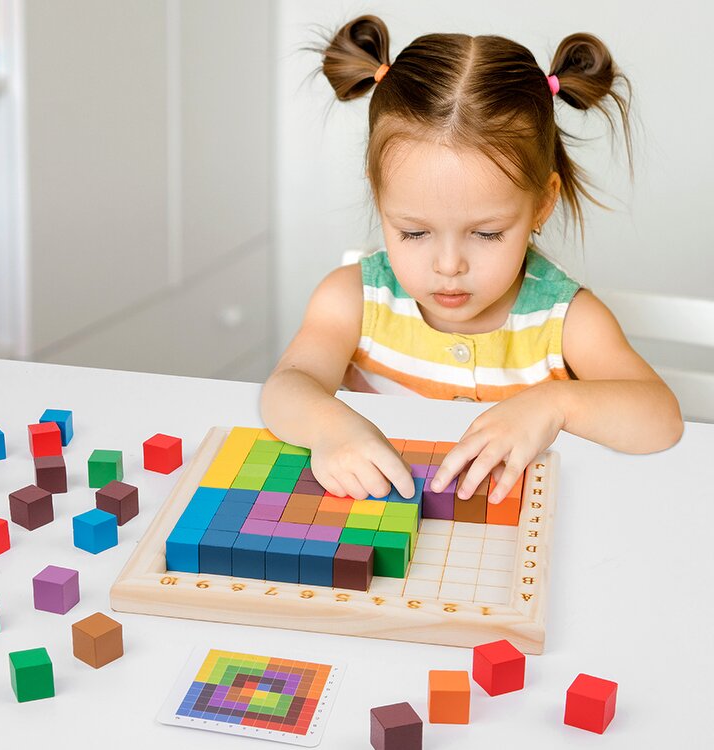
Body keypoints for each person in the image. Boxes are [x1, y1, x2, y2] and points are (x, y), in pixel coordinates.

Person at [261, 15, 683, 505]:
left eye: (486, 234)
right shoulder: (353, 299)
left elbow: (662, 418)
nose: (448, 265)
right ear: (380, 199)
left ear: (542, 204)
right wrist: (329, 428)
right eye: (414, 231)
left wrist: (556, 404)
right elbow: (285, 389)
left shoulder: (565, 320)